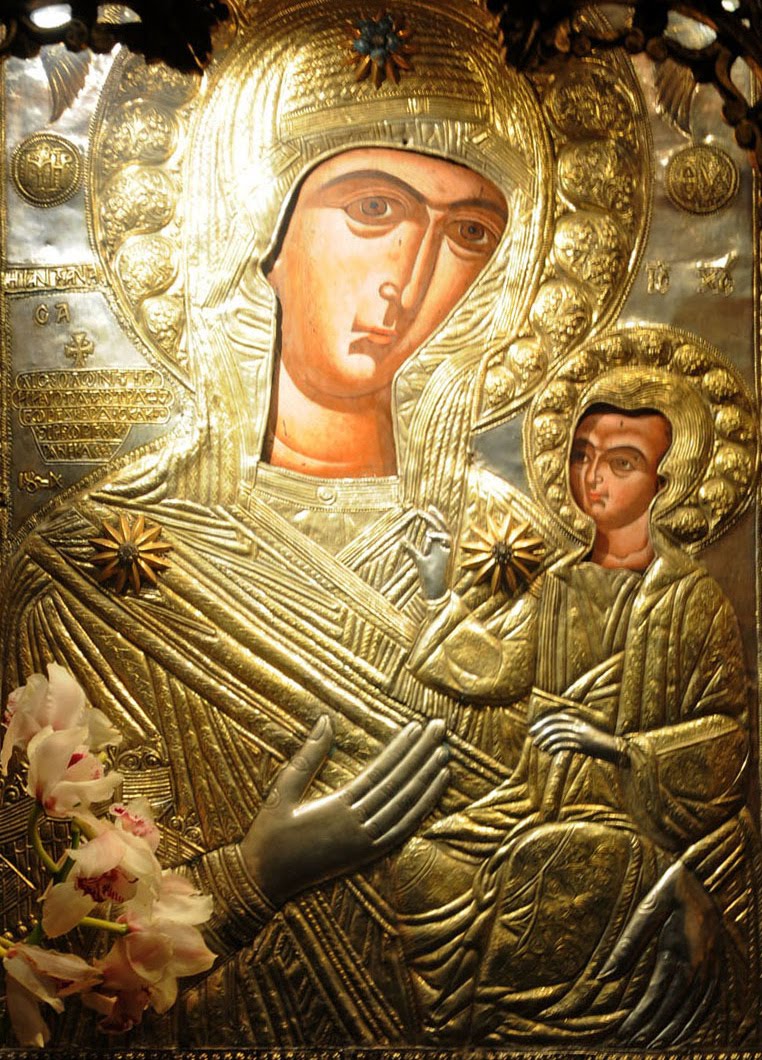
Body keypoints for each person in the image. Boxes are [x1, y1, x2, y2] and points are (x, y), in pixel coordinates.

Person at [0, 0, 557, 1045]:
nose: (412, 278)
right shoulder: (92, 567)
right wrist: (254, 876)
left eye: (468, 233)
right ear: (257, 225)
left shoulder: (517, 550)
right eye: (375, 208)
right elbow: (52, 962)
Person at [401, 367, 757, 1044]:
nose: (593, 478)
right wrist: (437, 594)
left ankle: (519, 1030)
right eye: (582, 456)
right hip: (531, 797)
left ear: (666, 482)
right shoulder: (558, 583)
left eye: (622, 463)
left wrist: (619, 748)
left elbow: (727, 740)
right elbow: (501, 669)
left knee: (546, 863)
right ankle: (444, 1033)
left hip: (633, 816)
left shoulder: (690, 597)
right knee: (421, 863)